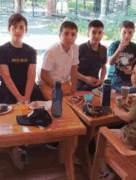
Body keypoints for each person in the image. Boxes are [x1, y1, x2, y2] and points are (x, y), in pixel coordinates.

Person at [0, 13, 45, 169]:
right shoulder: (3, 50)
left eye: (22, 27)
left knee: (34, 110)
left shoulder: (30, 51)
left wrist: (26, 96)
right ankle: (16, 146)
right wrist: (19, 96)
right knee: (13, 114)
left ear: (26, 30)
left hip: (28, 88)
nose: (18, 30)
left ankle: (28, 142)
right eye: (15, 27)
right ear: (9, 29)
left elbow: (31, 75)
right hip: (9, 90)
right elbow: (6, 77)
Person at [39, 20, 79, 100]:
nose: (69, 37)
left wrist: (74, 89)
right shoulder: (51, 51)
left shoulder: (75, 48)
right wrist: (57, 88)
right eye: (66, 34)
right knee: (56, 102)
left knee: (72, 99)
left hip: (64, 82)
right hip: (48, 83)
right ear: (59, 35)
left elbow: (74, 69)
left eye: (73, 34)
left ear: (76, 37)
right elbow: (43, 75)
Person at [107, 20, 136, 93]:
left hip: (129, 77)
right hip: (115, 76)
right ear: (120, 32)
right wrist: (119, 49)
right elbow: (110, 62)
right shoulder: (114, 45)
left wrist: (132, 69)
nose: (127, 35)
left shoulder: (135, 47)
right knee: (115, 89)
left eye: (130, 32)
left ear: (133, 33)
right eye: (124, 32)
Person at [77, 20, 107, 91]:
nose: (97, 36)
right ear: (88, 33)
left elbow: (104, 67)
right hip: (80, 81)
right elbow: (72, 70)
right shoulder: (81, 48)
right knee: (84, 89)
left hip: (95, 82)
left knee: (107, 89)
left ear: (103, 34)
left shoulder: (103, 49)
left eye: (100, 33)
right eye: (94, 32)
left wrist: (101, 79)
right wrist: (85, 79)